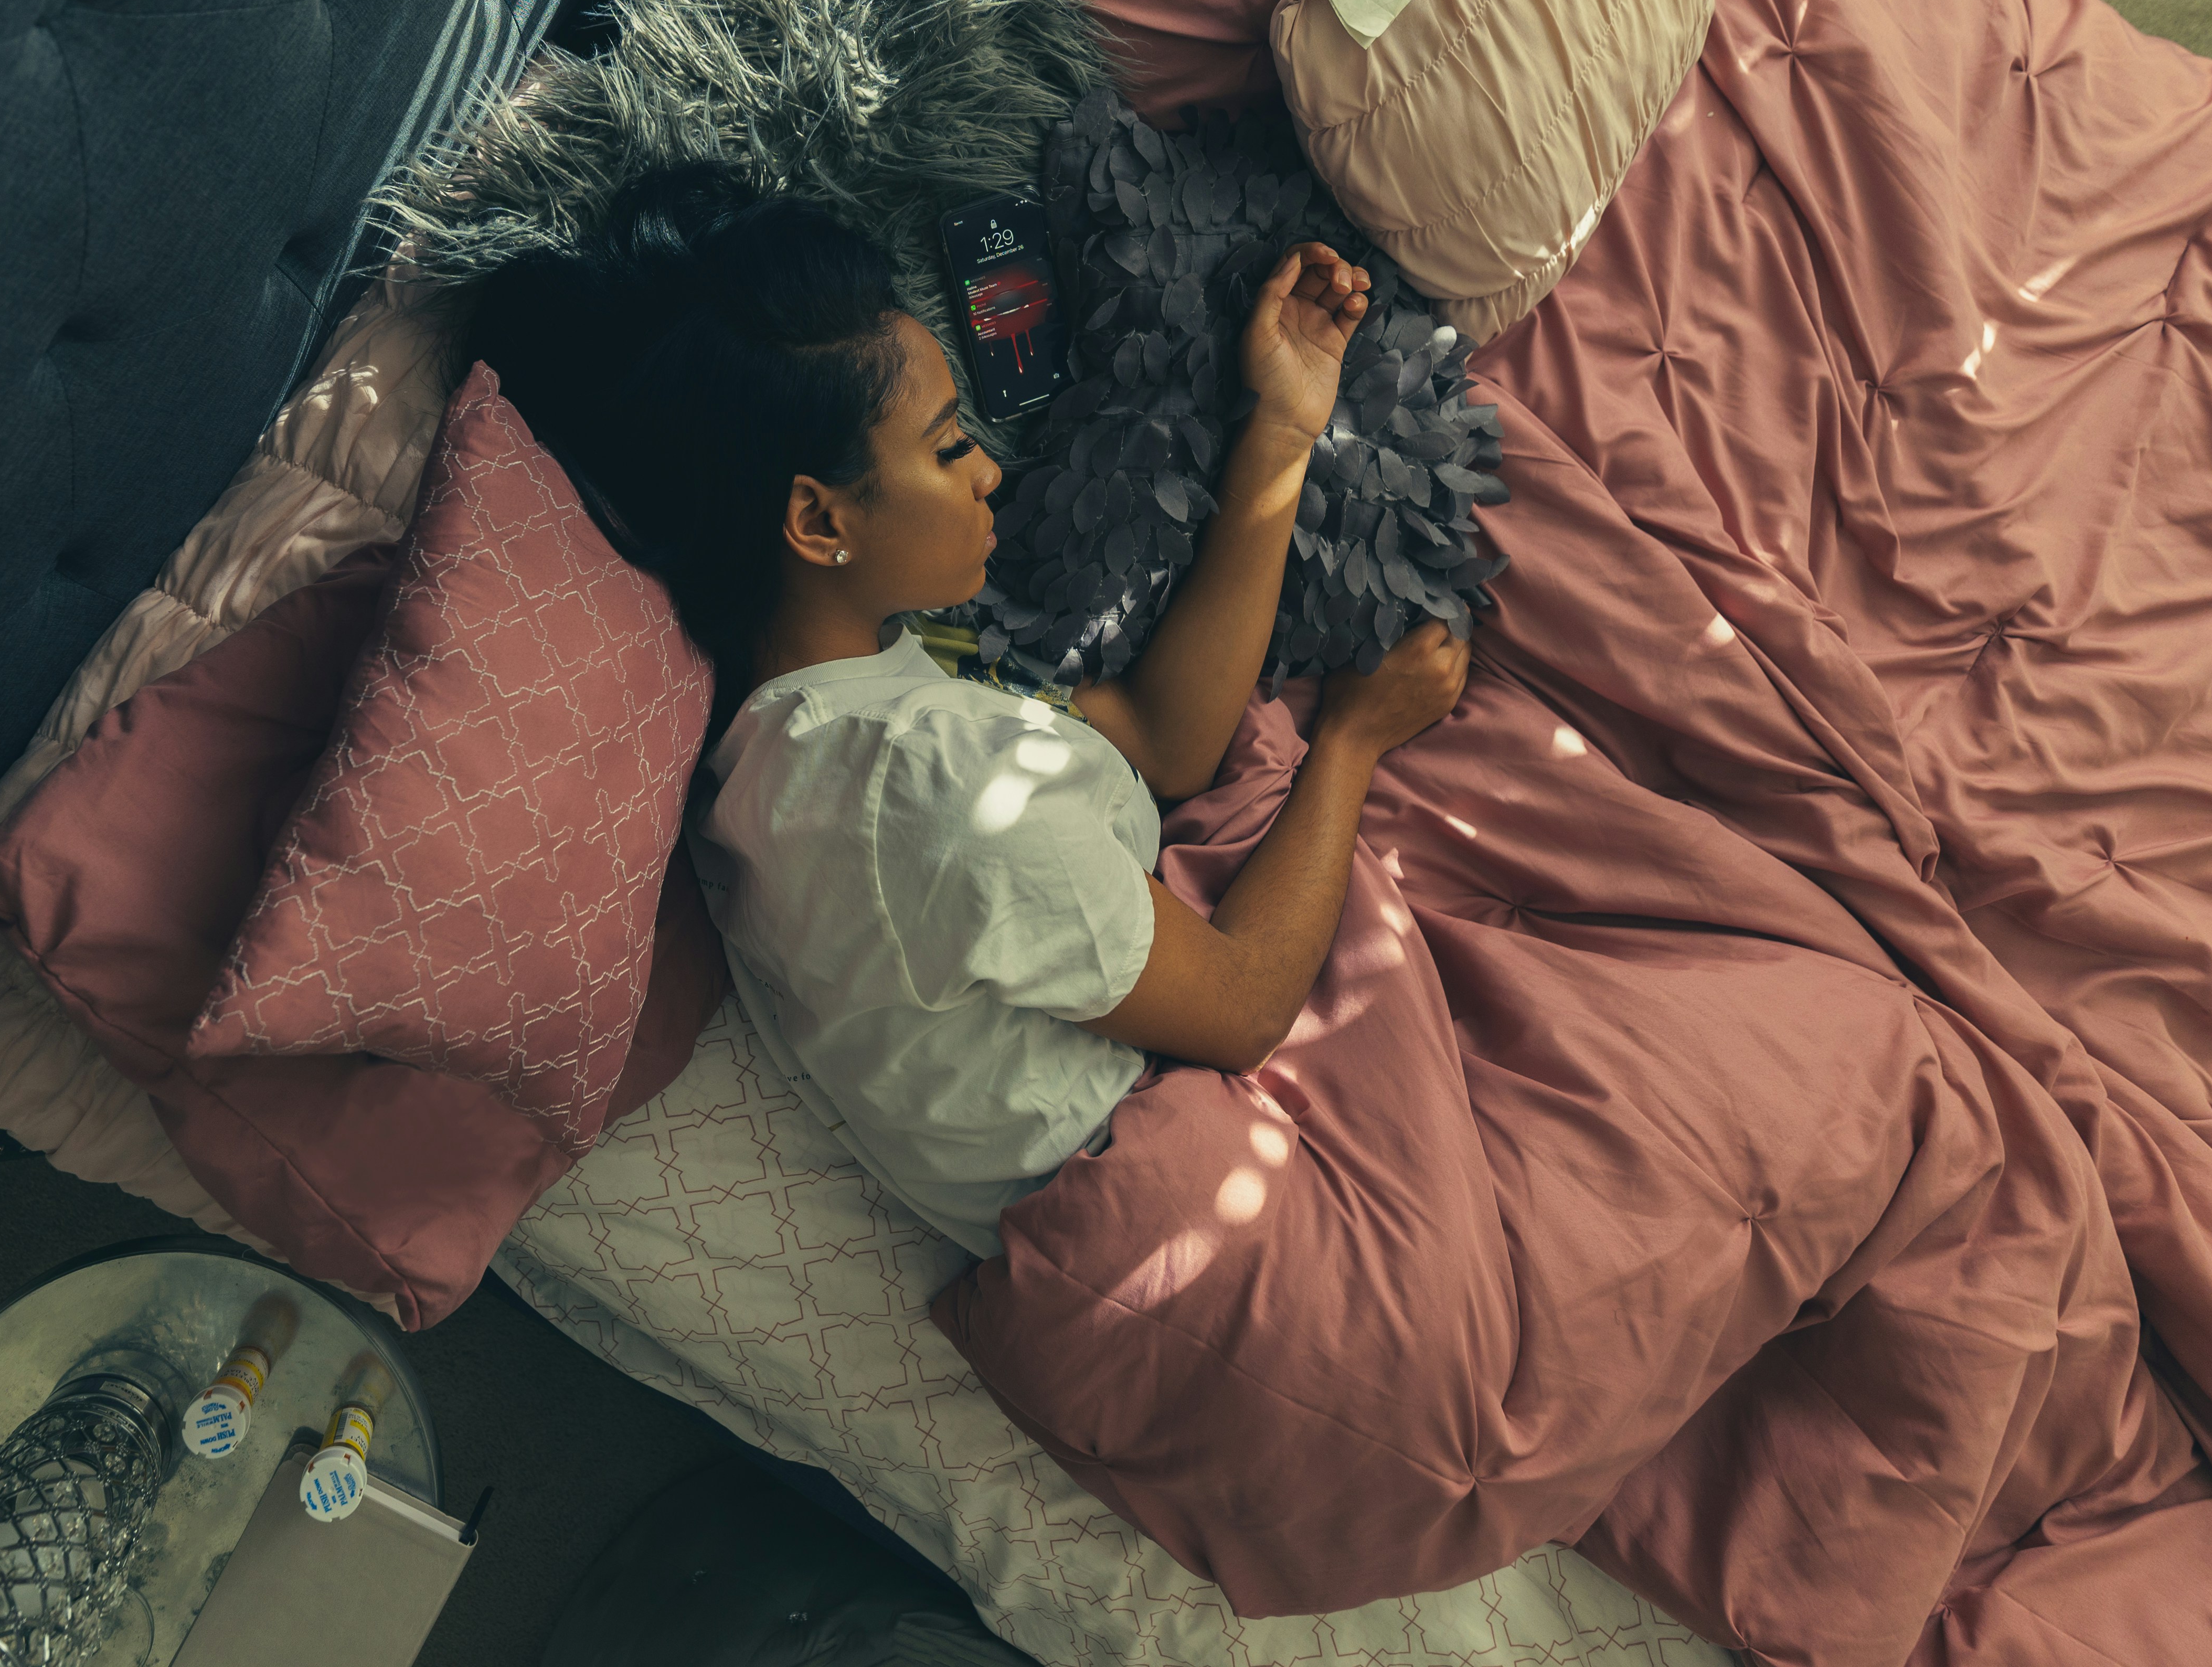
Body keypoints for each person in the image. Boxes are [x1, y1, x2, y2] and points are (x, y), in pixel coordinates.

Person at [463, 163, 1473, 1258]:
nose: (989, 469)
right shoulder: (926, 796)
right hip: (1194, 1221)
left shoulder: (829, 702)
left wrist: (1282, 422)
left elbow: (1166, 741)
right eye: (949, 446)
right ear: (815, 518)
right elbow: (1240, 1005)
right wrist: (1355, 743)